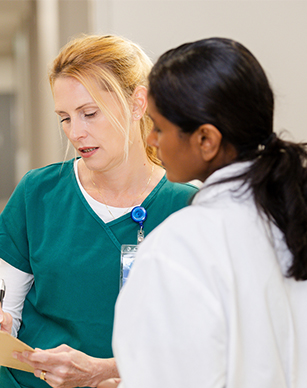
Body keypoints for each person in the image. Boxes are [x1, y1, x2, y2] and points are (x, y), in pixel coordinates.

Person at [0, 34, 198, 388]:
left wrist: (108, 372)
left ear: (138, 104)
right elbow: (7, 307)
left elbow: (192, 339)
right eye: (65, 118)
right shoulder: (38, 192)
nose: (76, 133)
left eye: (90, 114)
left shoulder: (185, 207)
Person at [108, 37, 307, 388]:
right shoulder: (290, 213)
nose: (151, 139)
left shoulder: (180, 246)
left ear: (206, 140)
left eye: (159, 127)